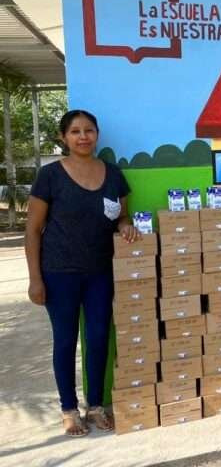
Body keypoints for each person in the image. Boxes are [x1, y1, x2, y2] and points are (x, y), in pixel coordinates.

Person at [25, 110, 138, 437]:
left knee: (99, 338)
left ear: (97, 134)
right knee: (65, 341)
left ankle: (96, 406)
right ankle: (69, 410)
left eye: (89, 130)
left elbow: (121, 216)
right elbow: (32, 230)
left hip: (100, 271)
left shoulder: (113, 174)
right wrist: (35, 279)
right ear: (64, 138)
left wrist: (126, 226)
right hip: (59, 273)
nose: (83, 136)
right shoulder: (50, 176)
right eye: (75, 131)